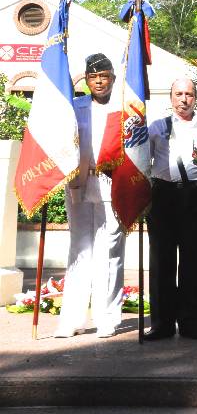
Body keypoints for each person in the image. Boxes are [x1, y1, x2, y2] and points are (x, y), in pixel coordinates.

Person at [55, 53, 126, 339]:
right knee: (80, 249)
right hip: (80, 182)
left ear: (112, 78)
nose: (99, 81)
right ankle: (72, 319)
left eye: (104, 76)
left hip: (113, 182)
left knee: (111, 251)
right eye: (94, 76)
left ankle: (107, 317)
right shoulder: (74, 107)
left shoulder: (125, 108)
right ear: (86, 79)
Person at [144, 78, 197, 341]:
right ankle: (161, 324)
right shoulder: (156, 127)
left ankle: (191, 323)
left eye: (189, 94)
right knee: (162, 261)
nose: (183, 99)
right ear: (171, 97)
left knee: (193, 262)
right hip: (164, 197)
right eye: (179, 94)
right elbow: (143, 165)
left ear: (196, 97)